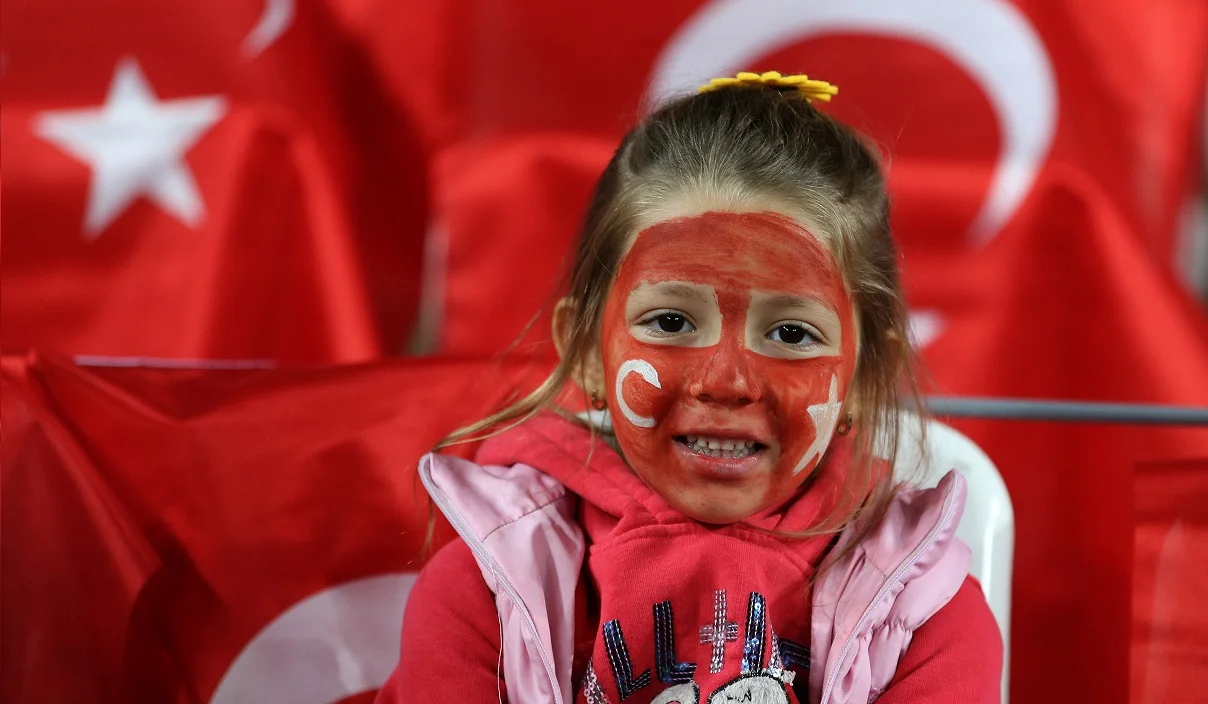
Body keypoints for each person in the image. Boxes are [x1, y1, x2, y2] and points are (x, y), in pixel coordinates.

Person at [377, 71, 1002, 704]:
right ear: (589, 353)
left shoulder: (924, 618)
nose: (726, 382)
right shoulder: (485, 588)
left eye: (790, 333)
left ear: (865, 381)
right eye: (671, 322)